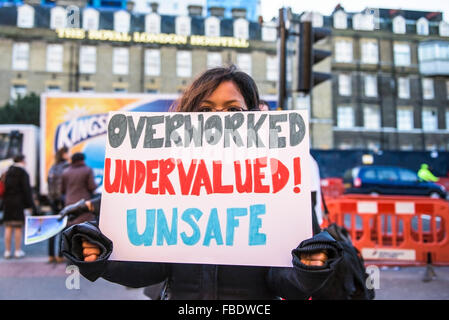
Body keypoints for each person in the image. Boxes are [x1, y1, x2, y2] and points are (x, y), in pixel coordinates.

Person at [61, 66, 370, 300]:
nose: (218, 120)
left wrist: (309, 267)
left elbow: (283, 279)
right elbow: (153, 268)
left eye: (233, 110)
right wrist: (102, 258)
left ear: (254, 118)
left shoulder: (283, 184)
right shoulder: (168, 181)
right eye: (206, 110)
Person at [3, 154, 37, 259]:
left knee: (8, 227)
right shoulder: (23, 173)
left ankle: (7, 251)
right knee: (18, 227)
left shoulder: (7, 172)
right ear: (22, 160)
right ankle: (17, 251)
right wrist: (31, 205)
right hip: (18, 202)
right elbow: (27, 191)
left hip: (7, 202)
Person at [46, 146, 69, 263]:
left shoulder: (52, 167)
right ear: (64, 154)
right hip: (63, 200)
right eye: (67, 153)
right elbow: (64, 186)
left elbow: (49, 185)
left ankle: (50, 255)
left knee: (52, 229)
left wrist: (51, 200)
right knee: (63, 228)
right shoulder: (66, 167)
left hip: (52, 201)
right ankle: (60, 255)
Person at [61, 152, 97, 226]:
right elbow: (92, 187)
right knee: (84, 229)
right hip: (83, 204)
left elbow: (62, 190)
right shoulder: (87, 170)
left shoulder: (65, 172)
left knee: (70, 229)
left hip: (69, 203)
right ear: (82, 160)